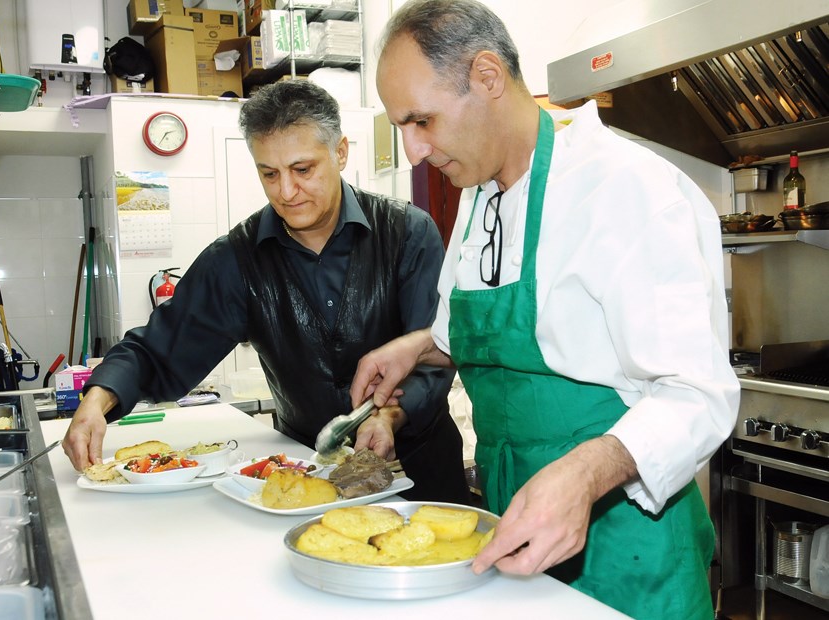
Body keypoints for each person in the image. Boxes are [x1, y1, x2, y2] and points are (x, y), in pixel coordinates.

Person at [350, 1, 740, 617]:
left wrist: (586, 473)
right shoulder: (479, 200)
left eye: (421, 120)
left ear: (486, 76)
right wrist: (417, 347)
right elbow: (487, 332)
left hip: (627, 546)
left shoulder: (628, 190)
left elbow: (699, 395)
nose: (414, 151)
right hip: (513, 520)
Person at [61, 79, 471, 505]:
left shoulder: (408, 233)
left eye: (303, 169)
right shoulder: (237, 259)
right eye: (269, 174)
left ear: (341, 152)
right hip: (305, 475)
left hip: (419, 469)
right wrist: (98, 398)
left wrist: (390, 414)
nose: (286, 192)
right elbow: (160, 347)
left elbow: (436, 351)